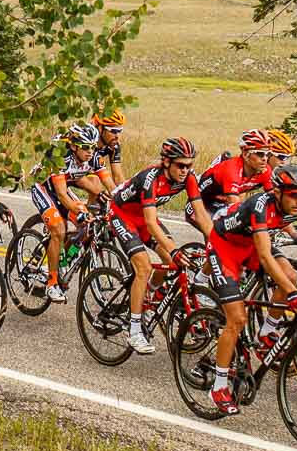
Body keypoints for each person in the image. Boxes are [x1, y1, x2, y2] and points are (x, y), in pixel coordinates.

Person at [202, 162, 297, 414]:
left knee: (290, 274)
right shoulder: (260, 206)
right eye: (294, 195)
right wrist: (291, 292)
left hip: (253, 245)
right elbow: (266, 258)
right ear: (277, 192)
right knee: (236, 319)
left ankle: (266, 333)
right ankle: (219, 386)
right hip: (225, 246)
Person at [107, 137, 212, 355]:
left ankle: (148, 297)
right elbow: (150, 222)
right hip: (123, 215)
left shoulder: (189, 178)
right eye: (181, 165)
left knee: (170, 261)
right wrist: (173, 249)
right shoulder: (150, 179)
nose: (186, 170)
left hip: (144, 219)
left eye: (190, 165)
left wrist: (217, 241)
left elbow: (201, 214)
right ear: (166, 162)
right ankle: (134, 330)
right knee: (144, 267)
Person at [25, 124, 109, 303]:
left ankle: (62, 258)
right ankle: (52, 283)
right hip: (44, 187)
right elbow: (62, 195)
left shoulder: (93, 157)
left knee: (87, 225)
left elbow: (109, 184)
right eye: (85, 147)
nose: (90, 151)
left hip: (65, 183)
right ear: (74, 146)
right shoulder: (60, 156)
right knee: (58, 229)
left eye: (93, 147)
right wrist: (78, 212)